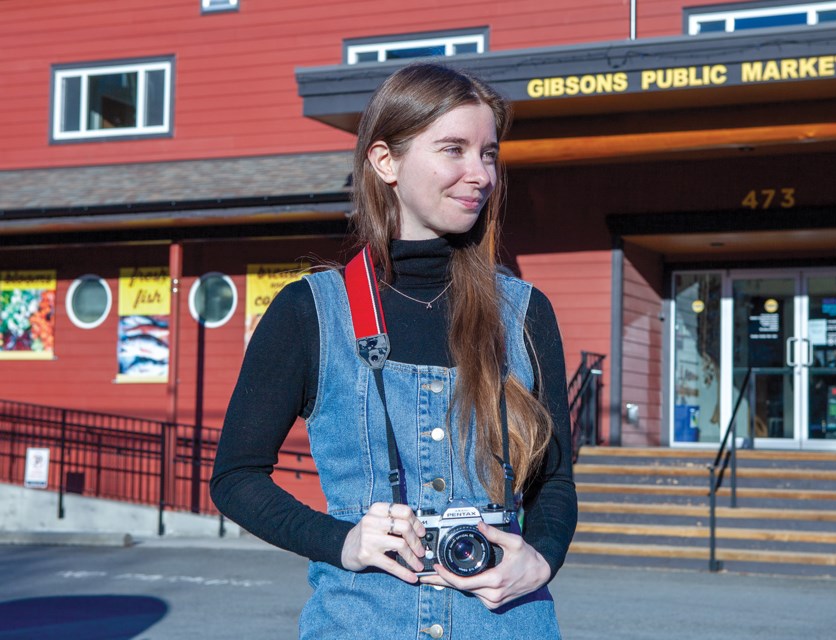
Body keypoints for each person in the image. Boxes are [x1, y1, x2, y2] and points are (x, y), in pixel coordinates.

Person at [210, 62, 577, 639]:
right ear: (386, 161)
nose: (478, 173)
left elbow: (554, 481)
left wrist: (543, 557)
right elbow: (235, 477)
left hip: (510, 624)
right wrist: (343, 541)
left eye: (488, 153)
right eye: (453, 149)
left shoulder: (525, 312)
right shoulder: (312, 312)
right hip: (359, 622)